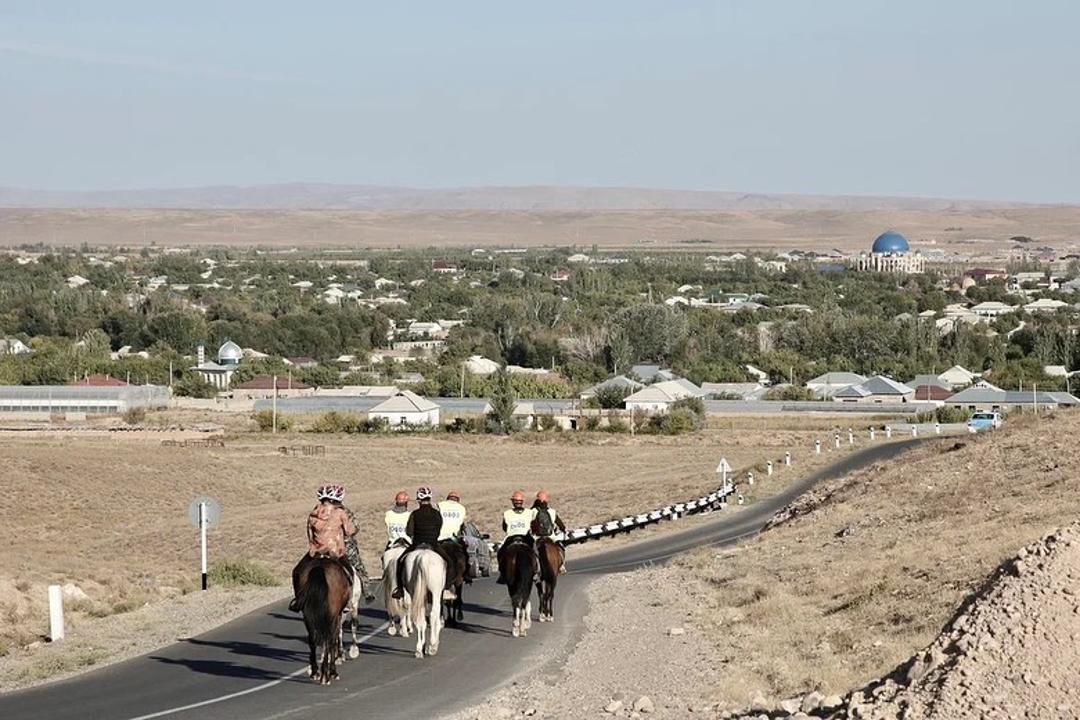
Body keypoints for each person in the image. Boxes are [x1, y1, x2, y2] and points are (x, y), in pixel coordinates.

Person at [289, 484, 355, 612]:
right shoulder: (341, 513)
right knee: (349, 572)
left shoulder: (314, 513)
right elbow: (349, 531)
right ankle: (347, 600)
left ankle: (298, 600)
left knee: (297, 571)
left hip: (316, 551)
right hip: (335, 551)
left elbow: (309, 531)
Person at [391, 486, 449, 599]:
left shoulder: (414, 514)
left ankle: (400, 589)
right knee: (448, 562)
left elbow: (409, 531)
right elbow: (439, 528)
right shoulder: (437, 514)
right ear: (430, 498)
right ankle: (446, 588)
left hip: (417, 544)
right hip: (433, 544)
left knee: (400, 562)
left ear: (419, 500)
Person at [496, 489, 537, 584]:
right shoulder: (529, 512)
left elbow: (504, 527)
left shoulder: (507, 513)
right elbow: (534, 525)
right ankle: (537, 571)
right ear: (522, 502)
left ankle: (502, 573)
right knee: (536, 552)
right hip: (526, 537)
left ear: (513, 502)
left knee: (501, 553)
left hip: (511, 537)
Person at [437, 489, 473, 585]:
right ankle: (466, 574)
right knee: (465, 555)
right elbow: (462, 525)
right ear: (457, 500)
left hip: (440, 538)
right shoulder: (461, 508)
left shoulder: (440, 505)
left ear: (448, 499)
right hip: (454, 538)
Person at [531, 489, 567, 574]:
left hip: (537, 537)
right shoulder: (552, 511)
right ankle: (561, 566)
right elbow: (560, 524)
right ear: (547, 500)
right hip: (551, 536)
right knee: (561, 548)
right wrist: (563, 529)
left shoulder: (532, 511)